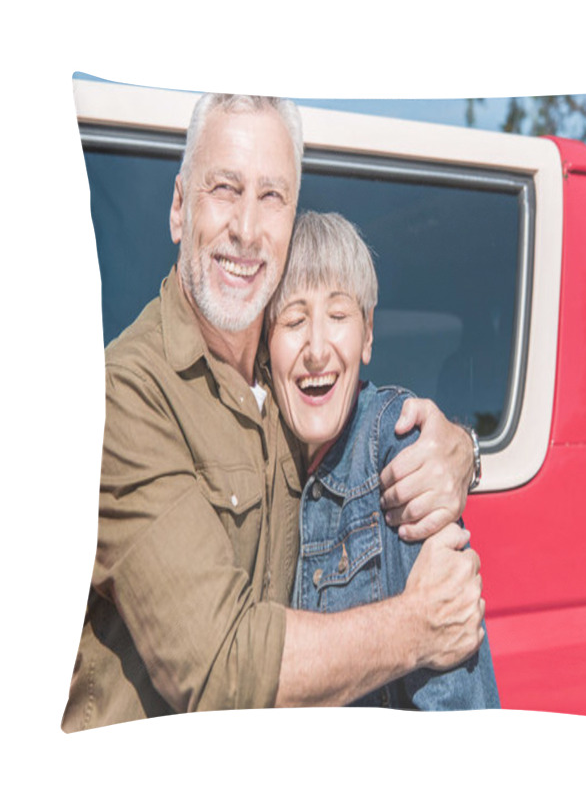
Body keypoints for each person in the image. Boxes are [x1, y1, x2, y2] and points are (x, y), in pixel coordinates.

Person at [62, 93, 485, 731]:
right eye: (224, 189)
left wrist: (461, 450)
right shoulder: (125, 395)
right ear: (179, 207)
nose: (247, 229)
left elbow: (368, 411)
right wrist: (417, 627)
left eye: (272, 197)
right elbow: (220, 668)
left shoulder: (287, 378)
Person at [268, 211, 499, 709]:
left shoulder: (400, 451)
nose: (315, 349)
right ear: (265, 345)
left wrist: (466, 451)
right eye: (292, 320)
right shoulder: (251, 456)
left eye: (338, 316)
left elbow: (457, 708)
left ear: (368, 335)